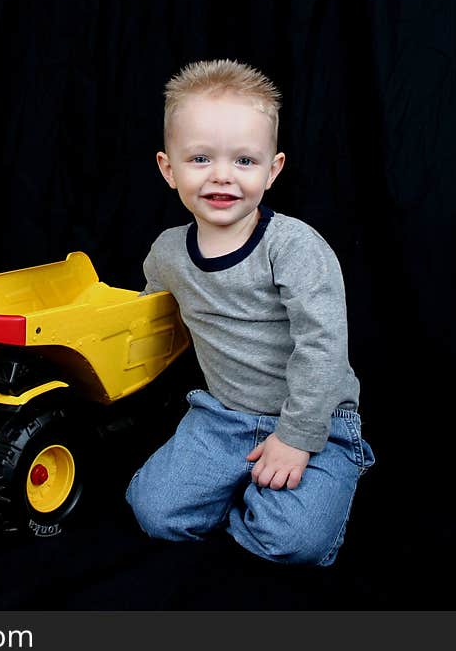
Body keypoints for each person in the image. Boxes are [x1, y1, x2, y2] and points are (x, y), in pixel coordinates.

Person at [125, 59, 375, 565]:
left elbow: (323, 349)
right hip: (223, 416)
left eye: (244, 161)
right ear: (168, 169)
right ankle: (242, 485)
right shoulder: (168, 253)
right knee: (155, 513)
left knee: (293, 541)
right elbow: (148, 319)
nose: (222, 176)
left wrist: (296, 438)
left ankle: (309, 481)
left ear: (272, 169)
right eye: (199, 159)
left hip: (314, 419)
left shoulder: (294, 248)